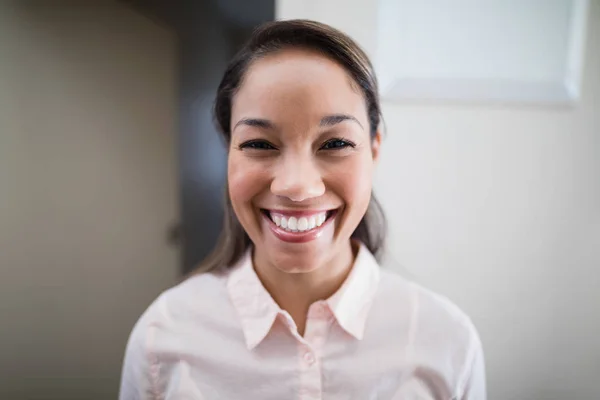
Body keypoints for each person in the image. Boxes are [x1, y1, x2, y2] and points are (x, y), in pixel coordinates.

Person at [119, 19, 486, 400]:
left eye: (335, 143)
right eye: (260, 144)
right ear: (228, 152)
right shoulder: (163, 337)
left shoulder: (446, 342)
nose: (296, 186)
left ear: (374, 150)